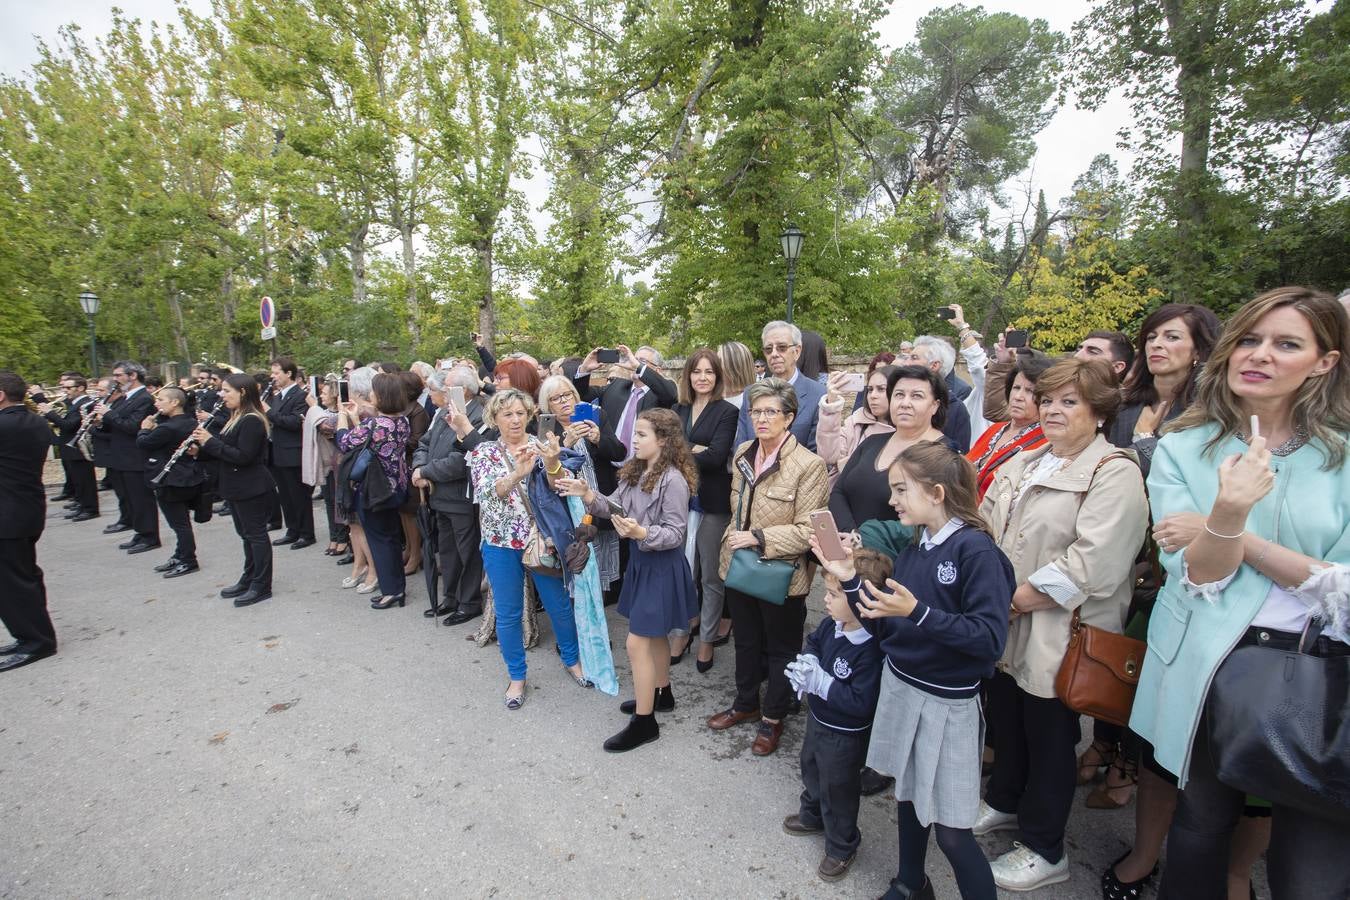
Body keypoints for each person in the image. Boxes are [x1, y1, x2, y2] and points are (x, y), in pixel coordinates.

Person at [1129, 287, 1350, 900]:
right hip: (1208, 668)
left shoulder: (1344, 457)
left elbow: (1346, 595)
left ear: (1325, 361)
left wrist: (1237, 536)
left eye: (1286, 344)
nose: (1260, 355)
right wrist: (1226, 510)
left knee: (1313, 857)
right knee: (1199, 827)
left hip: (1320, 676)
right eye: (1249, 340)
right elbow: (1196, 575)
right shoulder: (1183, 446)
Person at [973, 358, 1149, 891]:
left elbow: (1094, 564)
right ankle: (1004, 800)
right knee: (1008, 717)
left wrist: (1011, 601)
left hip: (1059, 629)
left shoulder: (1113, 471)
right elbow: (984, 522)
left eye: (1068, 401)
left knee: (1049, 735)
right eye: (1048, 399)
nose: (1052, 409)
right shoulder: (1028, 459)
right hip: (1007, 619)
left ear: (1098, 413)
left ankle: (1047, 849)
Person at [814, 443, 1016, 898]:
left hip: (947, 703)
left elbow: (989, 639)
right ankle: (910, 883)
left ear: (938, 492)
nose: (892, 501)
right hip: (903, 688)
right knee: (906, 795)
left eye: (901, 490)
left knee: (951, 830)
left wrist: (918, 612)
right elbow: (885, 626)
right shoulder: (918, 545)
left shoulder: (975, 552)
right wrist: (847, 576)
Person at [555, 408, 699, 752]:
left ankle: (645, 723)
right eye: (635, 434)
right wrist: (585, 492)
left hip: (662, 567)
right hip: (642, 562)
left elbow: (676, 533)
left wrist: (641, 531)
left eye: (642, 435)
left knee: (637, 643)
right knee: (655, 636)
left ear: (663, 441)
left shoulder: (674, 479)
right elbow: (613, 508)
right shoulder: (635, 471)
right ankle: (661, 694)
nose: (633, 441)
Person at [707, 377, 829, 757]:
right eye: (756, 411)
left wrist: (759, 537)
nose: (761, 418)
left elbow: (811, 530)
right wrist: (735, 538)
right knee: (745, 641)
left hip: (781, 576)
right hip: (739, 567)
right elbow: (735, 507)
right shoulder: (744, 451)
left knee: (781, 650)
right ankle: (745, 704)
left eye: (770, 412)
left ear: (789, 418)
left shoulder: (809, 466)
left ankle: (773, 717)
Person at [467, 388, 589, 709]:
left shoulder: (539, 446)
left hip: (540, 539)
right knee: (509, 613)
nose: (515, 419)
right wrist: (517, 474)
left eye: (521, 413)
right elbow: (489, 492)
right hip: (499, 542)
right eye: (507, 414)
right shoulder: (484, 453)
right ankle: (517, 677)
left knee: (559, 605)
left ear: (530, 415)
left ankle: (573, 660)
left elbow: (559, 488)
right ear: (495, 418)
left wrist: (551, 463)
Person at [781, 548, 888, 884]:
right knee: (810, 765)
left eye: (832, 594)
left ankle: (842, 845)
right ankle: (812, 814)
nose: (825, 601)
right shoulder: (833, 625)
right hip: (819, 719)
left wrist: (823, 684)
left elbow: (861, 702)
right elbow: (813, 642)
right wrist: (809, 662)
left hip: (846, 733)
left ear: (861, 600)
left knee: (839, 786)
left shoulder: (869, 648)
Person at [672, 350, 740, 672]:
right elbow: (667, 452)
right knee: (684, 572)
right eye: (697, 371)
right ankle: (683, 630)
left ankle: (707, 640)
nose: (702, 377)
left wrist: (684, 451)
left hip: (713, 503)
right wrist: (696, 449)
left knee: (711, 576)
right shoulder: (678, 409)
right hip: (679, 502)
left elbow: (716, 458)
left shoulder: (726, 411)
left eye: (709, 372)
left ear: (717, 376)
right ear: (688, 375)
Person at [829, 365, 956, 533]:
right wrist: (852, 536)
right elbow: (839, 492)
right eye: (899, 395)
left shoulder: (944, 454)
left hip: (896, 554)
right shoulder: (872, 442)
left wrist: (865, 541)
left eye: (916, 396)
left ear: (935, 405)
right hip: (848, 548)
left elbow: (933, 521)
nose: (905, 403)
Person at [190, 374, 275, 607]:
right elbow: (227, 449)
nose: (222, 395)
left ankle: (262, 584)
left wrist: (210, 441)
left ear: (243, 392)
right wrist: (200, 451)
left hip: (251, 485)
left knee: (256, 536)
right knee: (245, 535)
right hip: (237, 485)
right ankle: (249, 576)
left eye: (227, 391)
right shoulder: (235, 416)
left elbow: (243, 456)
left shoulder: (252, 420)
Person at [411, 368, 486, 625]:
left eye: (448, 387)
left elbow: (460, 462)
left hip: (461, 498)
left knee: (467, 552)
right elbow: (423, 443)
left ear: (462, 390)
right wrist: (418, 468)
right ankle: (451, 597)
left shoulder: (477, 416)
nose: (443, 392)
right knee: (448, 551)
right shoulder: (444, 412)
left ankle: (469, 602)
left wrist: (426, 471)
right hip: (438, 495)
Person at [336, 372, 412, 610]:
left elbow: (344, 442)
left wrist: (342, 416)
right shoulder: (402, 421)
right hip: (395, 486)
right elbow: (373, 441)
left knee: (380, 540)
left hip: (374, 490)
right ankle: (397, 587)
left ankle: (392, 591)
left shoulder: (375, 424)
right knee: (390, 537)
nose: (370, 394)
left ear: (380, 396)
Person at [0, 371, 59, 672]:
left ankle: (36, 641)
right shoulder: (35, 420)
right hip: (26, 508)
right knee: (25, 575)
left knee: (13, 582)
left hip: (8, 513)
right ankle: (33, 633)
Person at [1108, 304, 1221, 459]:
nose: (1156, 344)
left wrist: (1144, 436)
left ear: (1197, 350)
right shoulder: (1122, 405)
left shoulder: (1212, 410)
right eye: (1151, 337)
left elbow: (1181, 473)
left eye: (1172, 337)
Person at [137, 387, 204, 578]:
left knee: (180, 524)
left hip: (171, 479)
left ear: (175, 403)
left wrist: (144, 429)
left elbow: (144, 444)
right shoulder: (190, 421)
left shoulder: (168, 428)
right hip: (186, 476)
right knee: (181, 522)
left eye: (161, 399)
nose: (156, 403)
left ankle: (188, 560)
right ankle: (180, 554)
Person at [966, 354, 1053, 501]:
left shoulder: (1045, 443)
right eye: (1016, 387)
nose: (1018, 396)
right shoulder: (995, 429)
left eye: (1030, 391)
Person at [96, 361, 159, 553]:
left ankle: (150, 536)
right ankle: (139, 532)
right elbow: (114, 425)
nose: (115, 380)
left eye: (118, 375)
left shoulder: (144, 398)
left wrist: (108, 414)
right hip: (120, 456)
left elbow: (133, 426)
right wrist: (100, 421)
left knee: (141, 499)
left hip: (135, 456)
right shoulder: (123, 399)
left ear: (133, 376)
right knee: (130, 498)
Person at [734, 322, 826, 450]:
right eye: (768, 349)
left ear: (797, 352)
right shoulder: (750, 393)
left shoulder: (818, 394)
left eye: (782, 348)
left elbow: (816, 454)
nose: (774, 354)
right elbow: (741, 448)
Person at [265, 357, 317, 551]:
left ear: (289, 374)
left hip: (293, 452)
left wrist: (269, 413)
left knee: (298, 495)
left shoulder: (300, 395)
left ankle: (306, 533)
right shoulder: (277, 396)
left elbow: (295, 422)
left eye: (277, 373)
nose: (273, 376)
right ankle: (292, 529)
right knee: (285, 495)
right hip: (278, 451)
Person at [817, 363, 896, 486]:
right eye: (870, 390)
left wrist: (847, 464)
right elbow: (828, 456)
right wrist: (831, 405)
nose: (873, 396)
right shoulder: (856, 422)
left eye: (881, 389)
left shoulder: (908, 430)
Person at [43, 374, 100, 521]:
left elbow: (69, 425)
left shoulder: (85, 403)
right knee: (78, 480)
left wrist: (49, 413)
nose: (65, 390)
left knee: (85, 481)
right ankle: (82, 505)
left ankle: (90, 508)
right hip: (70, 447)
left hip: (79, 448)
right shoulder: (74, 403)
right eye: (64, 387)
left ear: (81, 388)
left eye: (68, 388)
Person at [904, 336, 972, 452]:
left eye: (914, 358)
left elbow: (958, 460)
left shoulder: (956, 409)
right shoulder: (896, 399)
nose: (906, 363)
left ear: (934, 365)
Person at [396, 370, 431, 578]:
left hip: (411, 463)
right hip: (402, 464)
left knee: (412, 512)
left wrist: (395, 437)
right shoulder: (403, 409)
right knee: (403, 512)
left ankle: (416, 554)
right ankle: (409, 548)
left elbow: (417, 439)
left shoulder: (418, 412)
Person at [718, 341, 756, 412]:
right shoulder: (711, 397)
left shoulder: (754, 403)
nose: (714, 365)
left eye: (719, 361)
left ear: (734, 367)